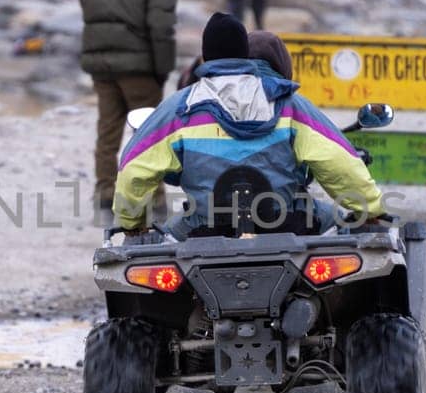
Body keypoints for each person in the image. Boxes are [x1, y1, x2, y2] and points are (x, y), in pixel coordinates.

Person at [114, 13, 385, 236]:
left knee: (163, 242)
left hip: (205, 230)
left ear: (205, 56)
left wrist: (132, 224)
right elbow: (338, 162)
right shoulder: (287, 103)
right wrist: (370, 209)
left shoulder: (180, 108)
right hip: (287, 225)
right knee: (342, 231)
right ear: (245, 52)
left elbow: (133, 170)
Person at [80, 0, 178, 216]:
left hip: (101, 64)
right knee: (150, 132)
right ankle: (154, 199)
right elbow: (161, 28)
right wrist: (163, 70)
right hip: (141, 68)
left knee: (107, 129)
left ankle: (105, 193)